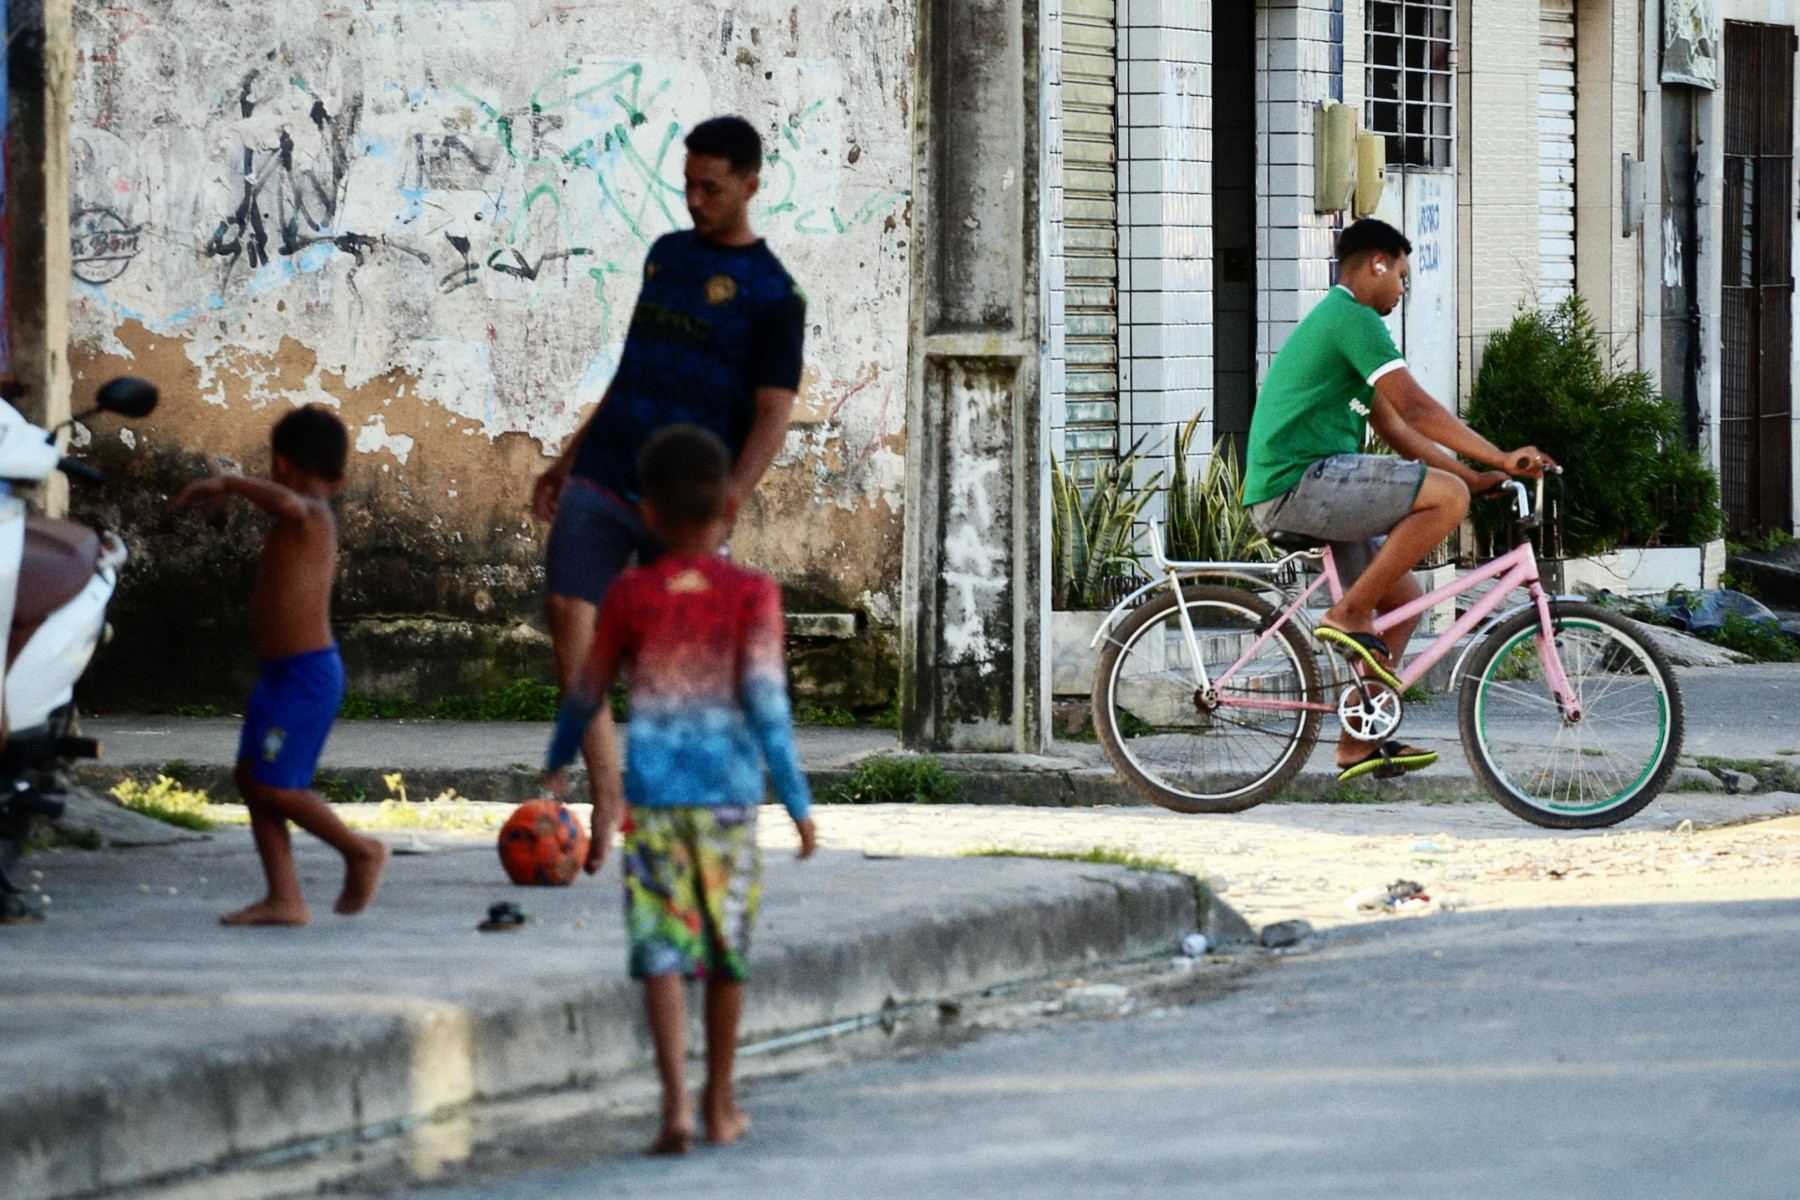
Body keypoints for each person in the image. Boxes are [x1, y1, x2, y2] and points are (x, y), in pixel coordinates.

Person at [532, 114, 806, 869]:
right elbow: (632, 366)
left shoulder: (775, 295)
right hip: (608, 469)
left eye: (710, 187)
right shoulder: (665, 256)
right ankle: (606, 785)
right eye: (687, 184)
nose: (694, 200)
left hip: (686, 498)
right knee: (567, 606)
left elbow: (775, 411)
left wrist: (731, 499)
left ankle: (686, 814)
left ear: (750, 184)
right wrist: (567, 456)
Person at [542, 425, 816, 1156]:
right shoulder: (751, 593)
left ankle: (674, 1109)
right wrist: (795, 801)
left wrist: (557, 764)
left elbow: (587, 690)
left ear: (648, 515)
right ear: (728, 508)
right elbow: (768, 708)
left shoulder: (630, 593)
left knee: (662, 951)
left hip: (655, 806)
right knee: (725, 950)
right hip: (727, 802)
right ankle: (719, 1102)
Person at [1241, 218, 1555, 782]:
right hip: (1299, 482)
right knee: (1445, 501)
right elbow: (1417, 410)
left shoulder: (1347, 324)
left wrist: (1474, 473)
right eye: (1403, 276)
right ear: (1376, 264)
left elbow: (1396, 429)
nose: (1404, 290)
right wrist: (1501, 457)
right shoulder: (1352, 317)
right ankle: (1348, 611)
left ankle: (1358, 742)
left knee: (1404, 608)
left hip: (1313, 485)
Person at [174, 405, 388, 925]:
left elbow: (289, 503)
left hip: (306, 677)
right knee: (251, 778)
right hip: (281, 677)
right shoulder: (299, 514)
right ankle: (284, 898)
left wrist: (230, 481)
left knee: (277, 785)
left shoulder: (311, 515)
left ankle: (360, 851)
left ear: (282, 464)